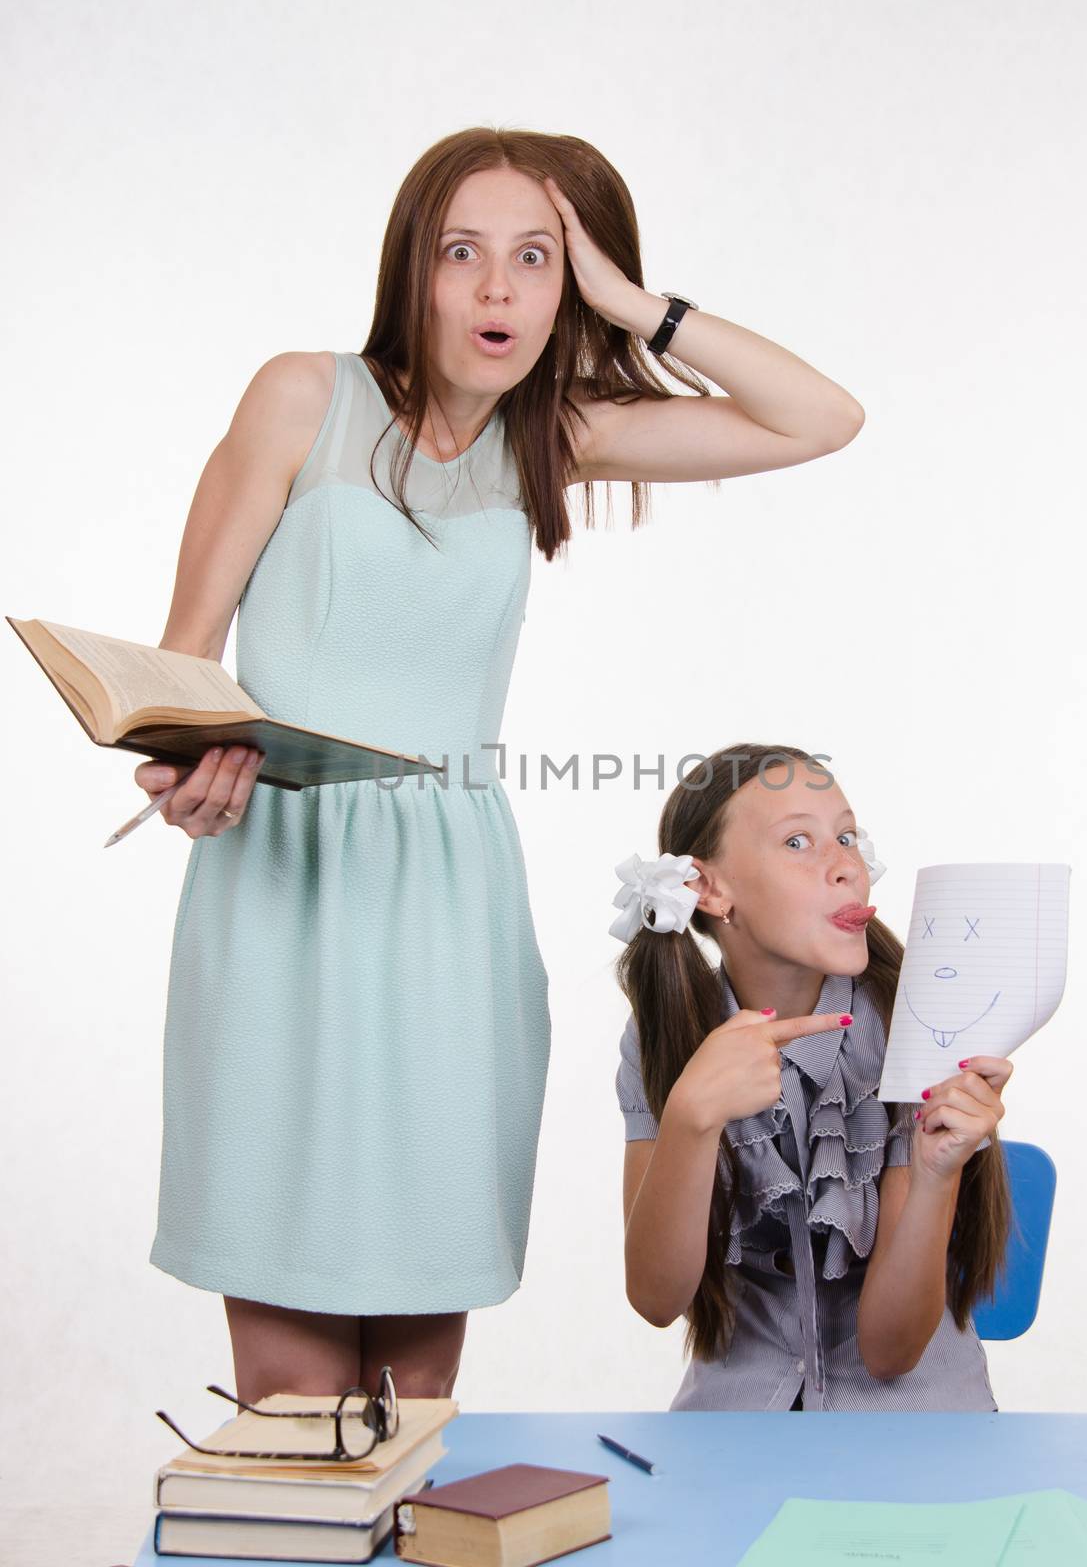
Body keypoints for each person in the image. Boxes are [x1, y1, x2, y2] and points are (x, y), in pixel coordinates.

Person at [134, 127, 868, 1407]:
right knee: (296, 1390)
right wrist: (192, 764)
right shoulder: (303, 396)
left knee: (415, 1390)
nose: (494, 291)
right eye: (461, 252)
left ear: (570, 286)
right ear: (410, 266)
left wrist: (643, 308)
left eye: (535, 260)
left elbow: (822, 420)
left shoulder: (554, 435)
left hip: (451, 909)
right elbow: (177, 675)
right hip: (287, 893)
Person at [612, 743, 1014, 1410]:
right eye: (799, 840)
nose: (847, 867)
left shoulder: (916, 1028)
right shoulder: (664, 1034)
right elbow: (657, 1300)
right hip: (737, 1425)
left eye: (848, 837)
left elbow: (890, 1350)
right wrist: (690, 1119)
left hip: (917, 1426)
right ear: (709, 889)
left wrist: (939, 1173)